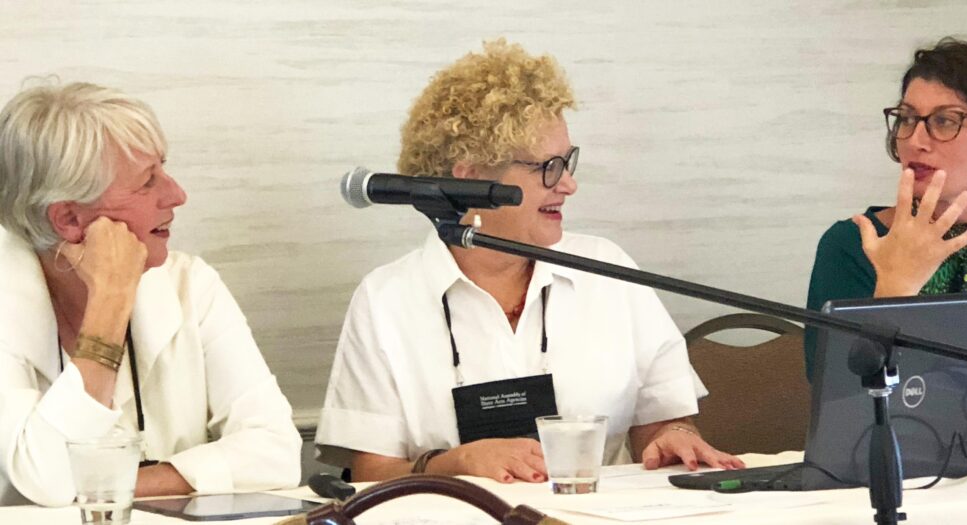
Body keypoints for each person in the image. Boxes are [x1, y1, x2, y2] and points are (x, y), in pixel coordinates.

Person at [316, 40, 744, 483]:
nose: (569, 185)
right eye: (548, 167)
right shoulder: (387, 299)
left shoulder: (607, 270)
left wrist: (673, 436)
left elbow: (660, 420)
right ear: (469, 179)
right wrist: (455, 463)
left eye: (568, 162)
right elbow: (370, 474)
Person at [0, 82, 302, 506]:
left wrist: (110, 486)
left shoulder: (191, 285)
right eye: (147, 183)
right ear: (69, 218)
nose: (176, 195)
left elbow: (277, 451)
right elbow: (50, 478)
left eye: (164, 168)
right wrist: (110, 300)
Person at [804, 39, 967, 442]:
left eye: (944, 121)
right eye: (907, 118)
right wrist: (895, 287)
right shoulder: (852, 244)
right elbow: (841, 407)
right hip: (890, 464)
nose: (915, 140)